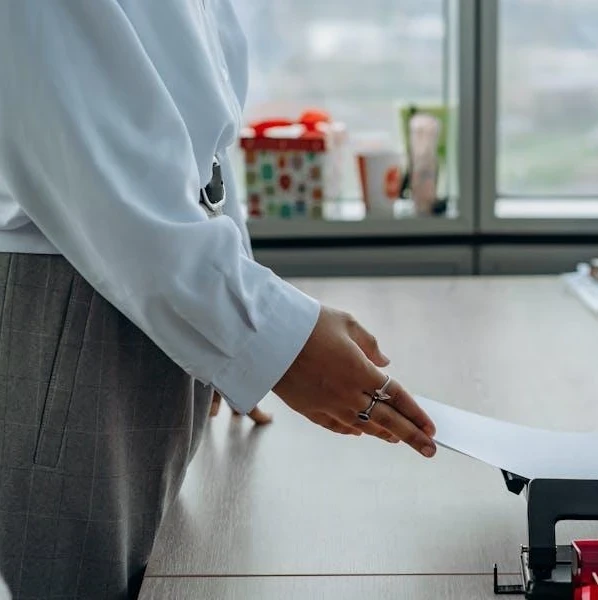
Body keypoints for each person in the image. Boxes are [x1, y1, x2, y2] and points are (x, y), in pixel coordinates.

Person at [0, 2, 437, 598]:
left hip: (145, 288)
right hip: (79, 301)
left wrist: (216, 339)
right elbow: (96, 168)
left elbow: (197, 147)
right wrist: (253, 335)